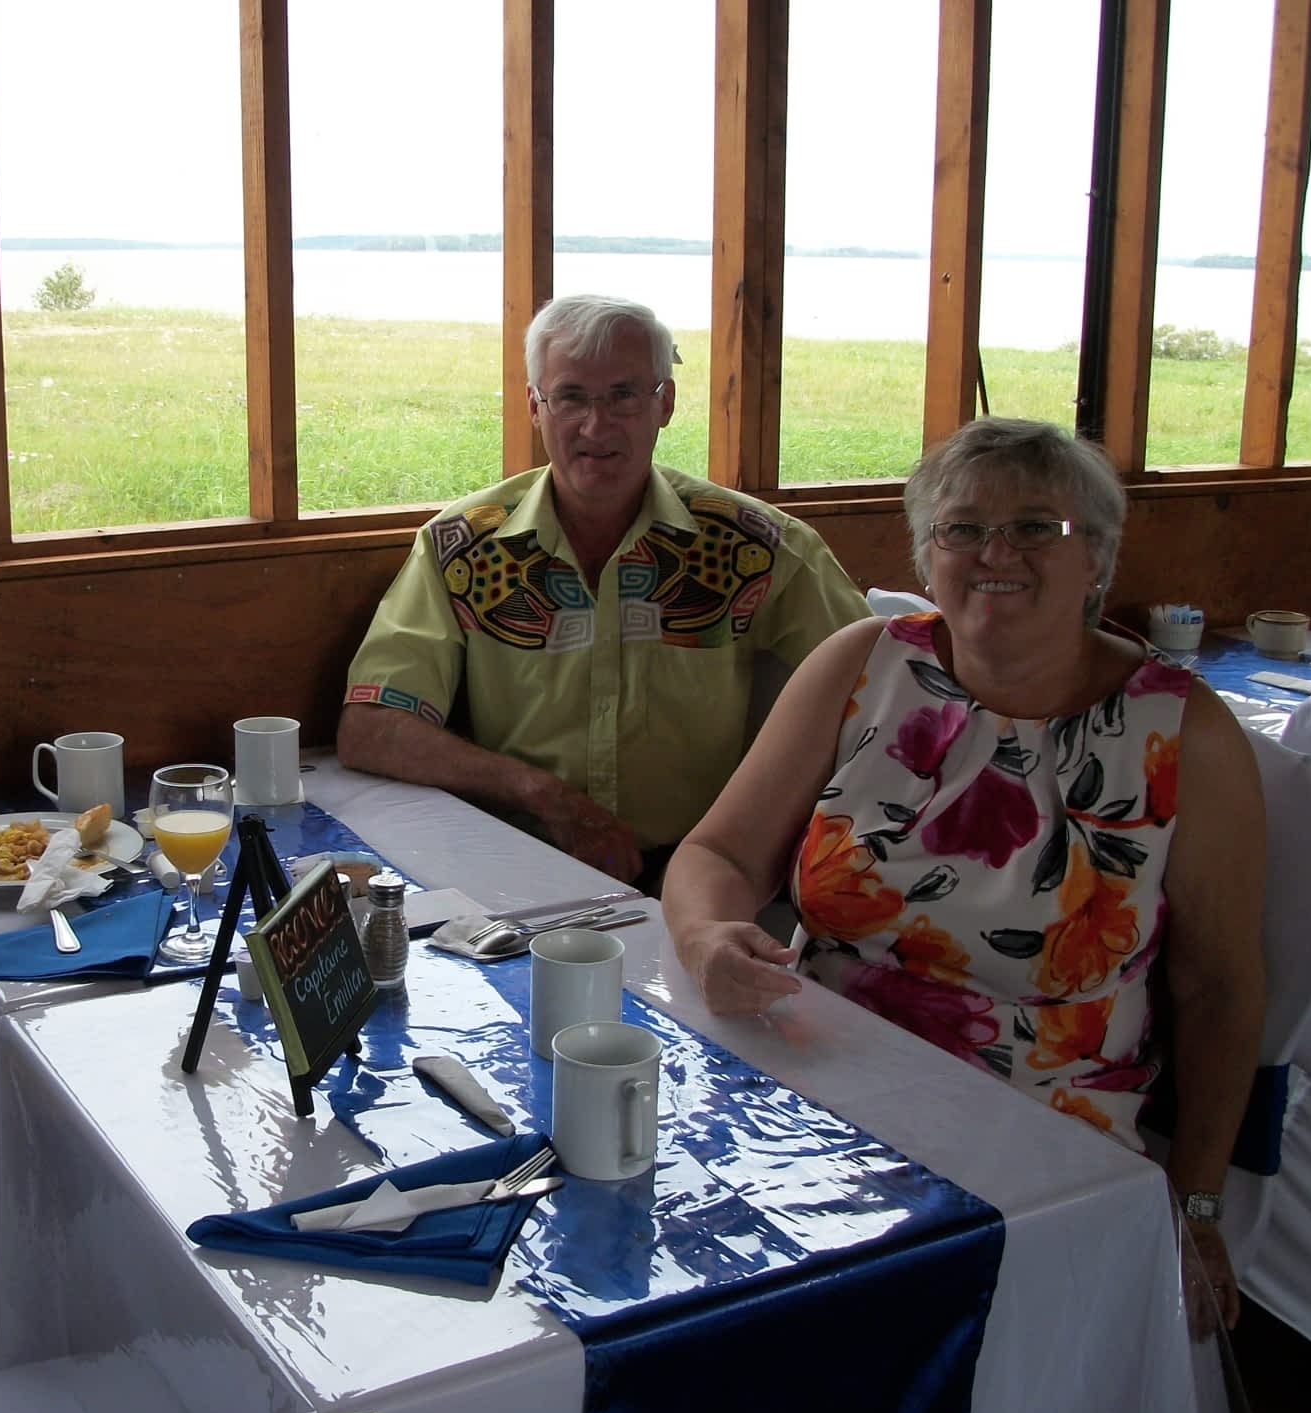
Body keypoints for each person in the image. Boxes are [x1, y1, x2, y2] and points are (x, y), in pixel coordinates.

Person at [661, 417, 1264, 1329]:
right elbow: (720, 855)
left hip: (1035, 1139)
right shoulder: (866, 662)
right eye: (964, 528)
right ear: (927, 550)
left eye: (1035, 527)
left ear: (1096, 557)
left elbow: (1220, 987)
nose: (996, 552)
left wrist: (1199, 1206)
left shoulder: (1184, 734)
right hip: (814, 1082)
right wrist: (706, 936)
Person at [337, 294, 868, 888]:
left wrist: (768, 829)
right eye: (570, 397)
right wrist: (541, 794)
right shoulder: (462, 548)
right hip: (508, 862)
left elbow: (885, 693)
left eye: (623, 395)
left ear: (664, 404)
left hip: (697, 876)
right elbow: (372, 727)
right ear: (534, 408)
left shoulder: (759, 548)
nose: (597, 426)